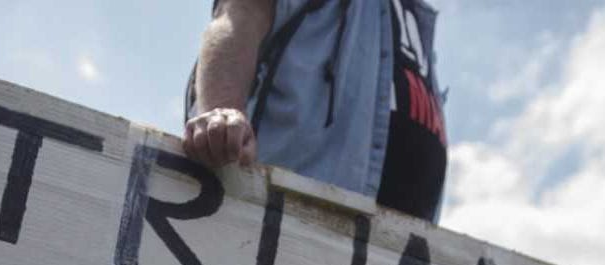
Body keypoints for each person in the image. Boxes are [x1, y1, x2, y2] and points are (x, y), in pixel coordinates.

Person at [184, 0, 448, 223]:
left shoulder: (413, 20)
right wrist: (221, 113)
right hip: (279, 230)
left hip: (395, 264)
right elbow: (242, 15)